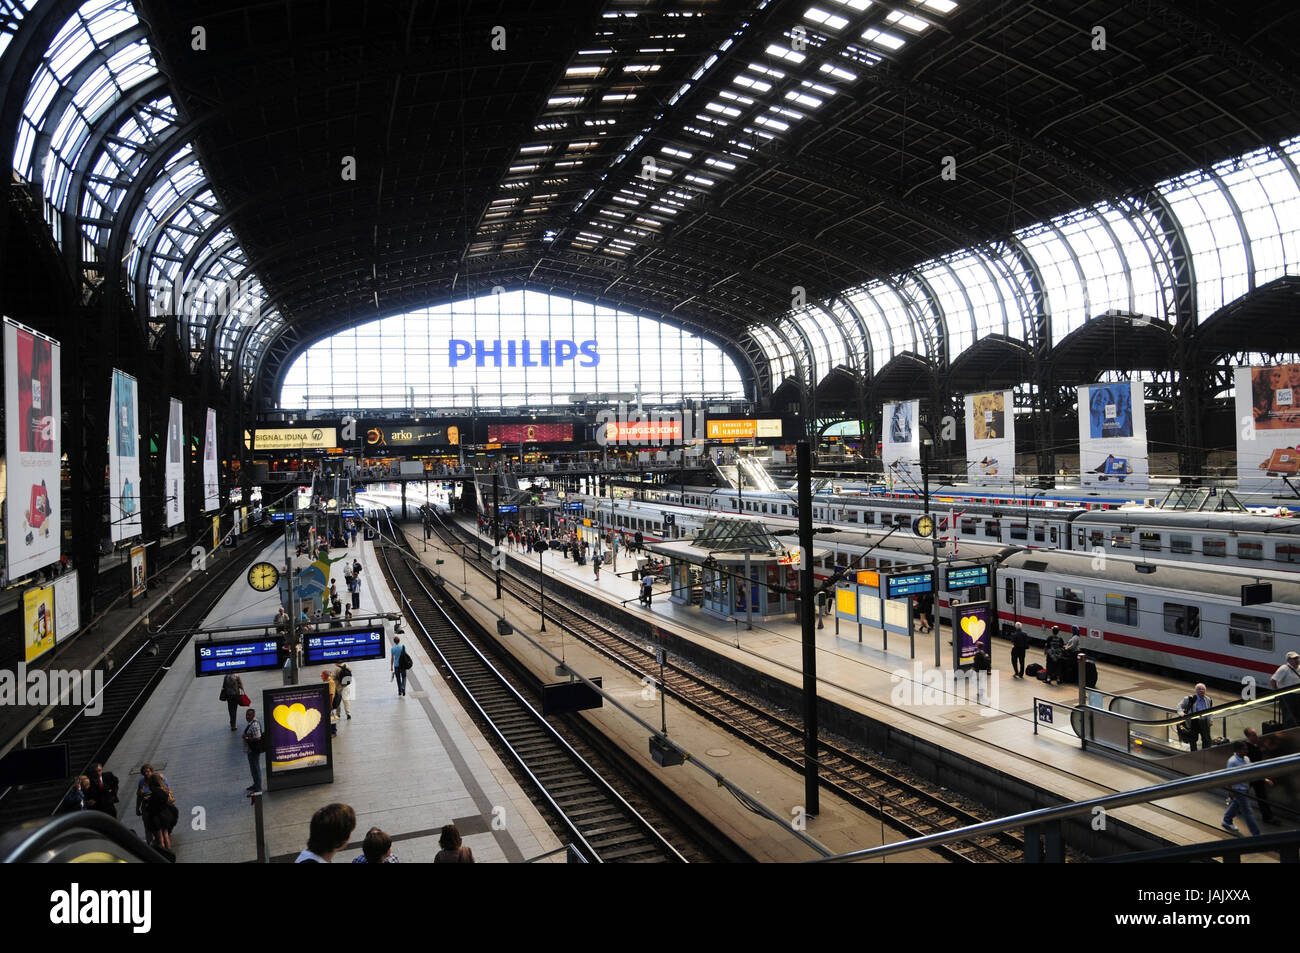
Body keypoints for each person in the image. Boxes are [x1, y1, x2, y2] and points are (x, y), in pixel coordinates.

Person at [1222, 742, 1263, 837]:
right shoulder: (1232, 762)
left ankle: (1227, 820)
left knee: (1236, 804)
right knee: (1248, 812)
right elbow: (1229, 777)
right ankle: (1256, 834)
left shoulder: (1246, 759)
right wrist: (1231, 791)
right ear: (1237, 750)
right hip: (1239, 789)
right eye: (1244, 749)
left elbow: (1252, 769)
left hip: (1245, 786)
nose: (1246, 751)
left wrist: (1263, 778)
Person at [1242, 727, 1275, 823]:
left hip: (1257, 775)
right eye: (1253, 735)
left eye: (1256, 734)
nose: (1256, 736)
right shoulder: (1246, 748)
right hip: (1252, 776)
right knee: (1245, 794)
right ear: (1248, 737)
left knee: (1261, 796)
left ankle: (1267, 817)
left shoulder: (1256, 746)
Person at [140, 773, 178, 851]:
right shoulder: (165, 791)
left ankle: (164, 852)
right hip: (165, 815)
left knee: (160, 837)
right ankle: (169, 850)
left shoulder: (154, 793)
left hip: (157, 817)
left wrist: (147, 799)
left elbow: (151, 805)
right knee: (166, 834)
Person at [1178, 683, 1214, 751]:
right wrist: (1181, 713)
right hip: (1194, 721)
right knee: (1193, 739)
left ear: (1205, 691)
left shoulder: (1208, 699)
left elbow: (1210, 710)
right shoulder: (1189, 699)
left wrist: (1211, 720)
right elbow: (1179, 706)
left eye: (1203, 689)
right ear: (1196, 691)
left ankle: (1205, 753)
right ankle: (1194, 753)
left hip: (1205, 721)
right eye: (1199, 689)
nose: (1201, 690)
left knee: (1206, 739)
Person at [1270, 651, 1300, 728]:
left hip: (1298, 695)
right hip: (1288, 696)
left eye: (1297, 658)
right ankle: (1288, 732)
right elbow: (1273, 680)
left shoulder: (1299, 668)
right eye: (1294, 658)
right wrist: (1277, 693)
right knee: (1288, 717)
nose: (1297, 660)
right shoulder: (1284, 668)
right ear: (1289, 660)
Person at [243, 708, 263, 793]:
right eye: (246, 715)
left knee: (256, 768)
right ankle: (255, 784)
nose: (247, 716)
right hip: (250, 750)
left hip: (253, 751)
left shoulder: (254, 725)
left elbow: (258, 737)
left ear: (253, 715)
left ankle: (258, 788)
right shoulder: (251, 723)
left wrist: (246, 737)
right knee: (253, 768)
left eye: (249, 715)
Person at [322, 671, 340, 735]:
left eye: (322, 675)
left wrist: (330, 704)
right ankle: (331, 731)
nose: (321, 676)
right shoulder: (328, 681)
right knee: (330, 716)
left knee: (332, 717)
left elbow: (331, 694)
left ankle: (333, 731)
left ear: (325, 676)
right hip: (329, 702)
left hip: (330, 703)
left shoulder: (330, 682)